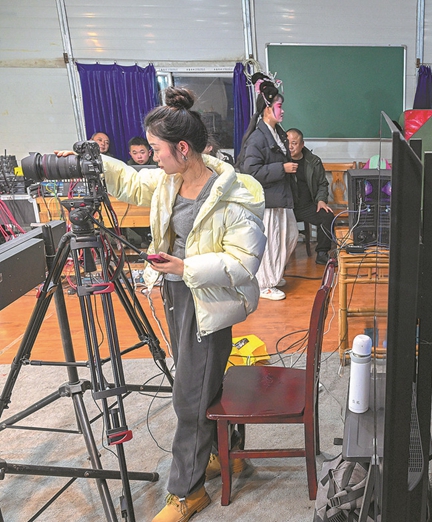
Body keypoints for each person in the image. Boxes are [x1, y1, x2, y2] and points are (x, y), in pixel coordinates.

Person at [64, 88, 266, 520]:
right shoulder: (170, 181)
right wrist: (92, 162)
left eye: (156, 150)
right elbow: (133, 182)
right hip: (178, 293)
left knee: (189, 397)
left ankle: (187, 491)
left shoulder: (235, 193)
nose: (151, 157)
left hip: (207, 301)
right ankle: (220, 455)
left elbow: (244, 262)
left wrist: (185, 266)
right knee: (200, 384)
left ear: (182, 148)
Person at [237, 76, 298, 301]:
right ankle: (265, 284)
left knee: (289, 235)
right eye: (279, 107)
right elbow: (250, 172)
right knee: (271, 241)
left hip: (280, 196)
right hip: (268, 200)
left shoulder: (277, 132)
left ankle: (274, 274)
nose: (282, 111)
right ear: (267, 109)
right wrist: (282, 168)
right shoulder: (257, 138)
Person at [285, 128, 335, 265]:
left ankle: (322, 253)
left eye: (294, 143)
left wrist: (321, 200)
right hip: (286, 207)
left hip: (306, 206)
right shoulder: (280, 160)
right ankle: (278, 259)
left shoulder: (313, 161)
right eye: (287, 142)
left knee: (327, 216)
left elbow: (322, 184)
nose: (290, 147)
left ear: (302, 144)